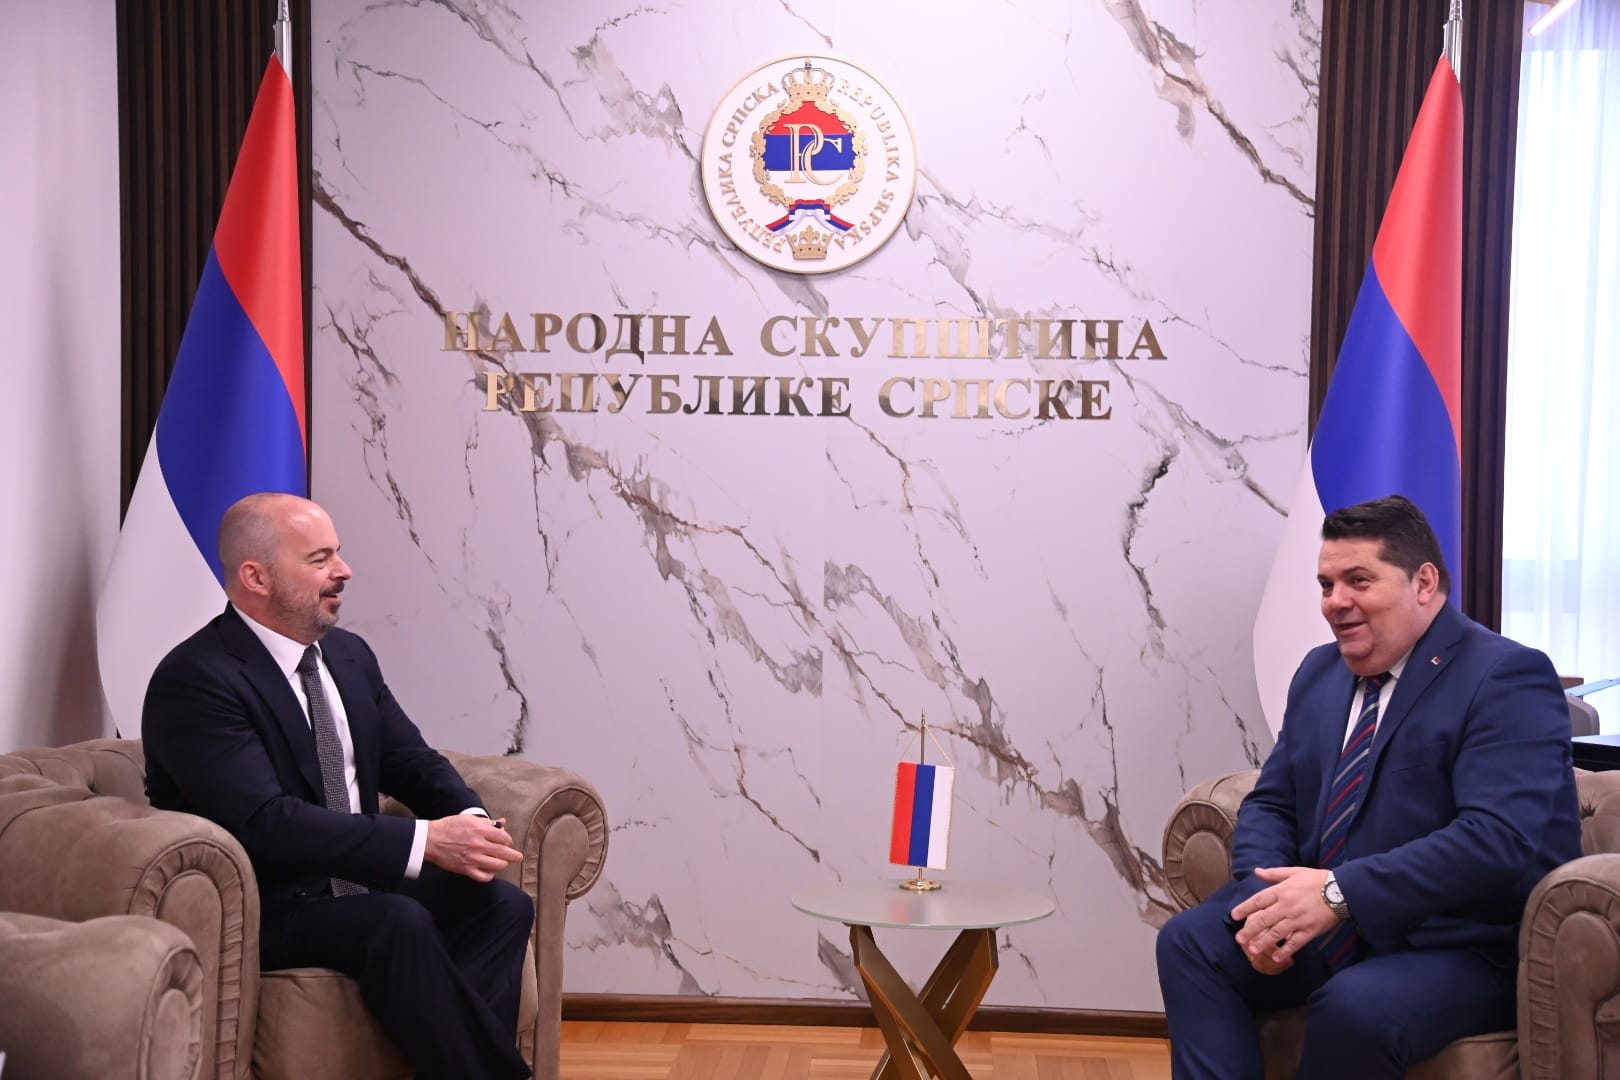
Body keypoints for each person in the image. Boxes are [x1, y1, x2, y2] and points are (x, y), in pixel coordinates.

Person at [1156, 495, 1582, 1079]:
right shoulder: (1320, 670)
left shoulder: (1505, 676)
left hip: (1462, 944)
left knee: (1354, 1007)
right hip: (1335, 924)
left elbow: (1496, 838)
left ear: (1423, 583)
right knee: (1190, 944)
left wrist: (1339, 894)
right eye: (1326, 585)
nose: (1336, 601)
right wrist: (1269, 907)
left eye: (1359, 580)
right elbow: (1274, 801)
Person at [143, 492, 534, 1080]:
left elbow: (411, 762)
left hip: (358, 881)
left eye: (338, 553)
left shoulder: (348, 656)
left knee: (501, 905)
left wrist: (471, 823)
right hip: (267, 901)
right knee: (396, 922)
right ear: (256, 577)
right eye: (320, 558)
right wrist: (426, 842)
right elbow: (266, 823)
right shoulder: (197, 679)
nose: (344, 570)